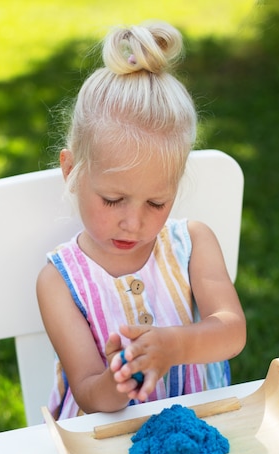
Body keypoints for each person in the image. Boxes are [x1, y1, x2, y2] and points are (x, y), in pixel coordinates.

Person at [36, 20, 246, 420]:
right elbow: (87, 391)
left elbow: (232, 331)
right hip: (105, 448)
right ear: (71, 172)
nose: (134, 223)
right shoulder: (59, 281)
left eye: (156, 202)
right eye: (113, 200)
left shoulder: (193, 244)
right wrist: (119, 380)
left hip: (200, 430)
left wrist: (174, 346)